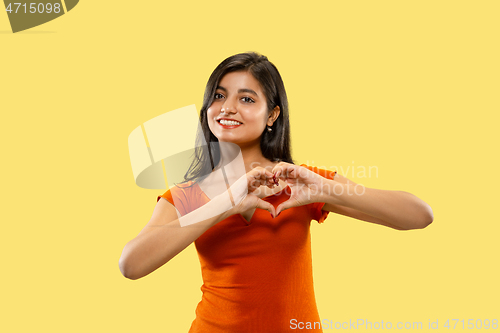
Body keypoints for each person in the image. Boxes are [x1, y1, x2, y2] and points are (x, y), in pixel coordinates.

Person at [119, 52, 434, 332]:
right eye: (218, 95)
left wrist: (327, 189)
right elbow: (131, 265)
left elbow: (419, 215)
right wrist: (224, 203)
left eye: (246, 99)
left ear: (272, 115)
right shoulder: (187, 195)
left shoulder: (302, 182)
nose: (227, 108)